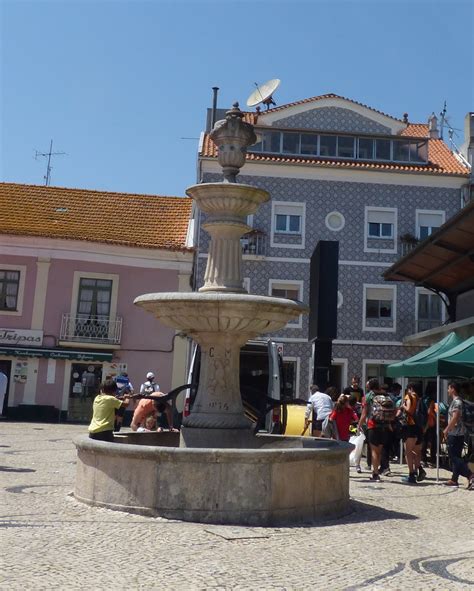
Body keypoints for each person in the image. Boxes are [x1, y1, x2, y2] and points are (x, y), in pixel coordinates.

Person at [358, 378, 393, 482]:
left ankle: (375, 473)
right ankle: (376, 471)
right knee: (380, 450)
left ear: (370, 386)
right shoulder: (386, 395)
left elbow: (364, 414)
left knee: (374, 451)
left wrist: (359, 425)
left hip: (372, 425)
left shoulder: (368, 396)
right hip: (384, 426)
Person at [443, 381, 474, 489]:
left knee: (454, 457)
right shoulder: (456, 401)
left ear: (453, 389)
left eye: (448, 388)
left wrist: (446, 430)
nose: (447, 390)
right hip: (458, 433)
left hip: (455, 434)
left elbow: (455, 417)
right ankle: (454, 479)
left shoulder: (457, 402)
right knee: (456, 456)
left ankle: (470, 474)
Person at [399, 382, 426, 485]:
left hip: (410, 426)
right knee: (416, 451)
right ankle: (418, 469)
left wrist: (403, 406)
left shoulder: (409, 396)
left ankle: (411, 475)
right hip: (419, 427)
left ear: (410, 388)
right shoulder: (420, 398)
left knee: (408, 452)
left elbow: (409, 410)